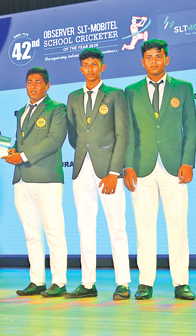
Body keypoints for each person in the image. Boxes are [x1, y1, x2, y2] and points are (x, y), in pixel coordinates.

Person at [124, 39, 196, 300]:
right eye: (149, 57)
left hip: (174, 166)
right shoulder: (130, 91)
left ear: (166, 59)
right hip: (141, 166)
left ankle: (181, 282)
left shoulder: (184, 88)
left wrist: (187, 162)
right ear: (143, 61)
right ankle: (145, 282)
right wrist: (128, 166)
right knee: (144, 226)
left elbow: (191, 128)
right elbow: (127, 132)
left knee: (178, 225)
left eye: (159, 56)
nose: (154, 61)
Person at [64, 49, 132, 300]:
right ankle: (88, 283)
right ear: (81, 69)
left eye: (94, 64)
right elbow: (73, 135)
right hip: (82, 166)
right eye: (85, 65)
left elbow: (122, 135)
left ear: (102, 67)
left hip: (109, 170)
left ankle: (123, 282)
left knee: (117, 225)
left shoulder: (115, 94)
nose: (90, 69)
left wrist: (115, 171)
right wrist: (86, 151)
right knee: (85, 226)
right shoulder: (72, 97)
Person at [6, 67, 68, 298]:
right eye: (29, 82)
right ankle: (37, 280)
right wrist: (12, 150)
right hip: (22, 178)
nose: (33, 86)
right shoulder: (23, 110)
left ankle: (59, 282)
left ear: (47, 85)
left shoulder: (57, 109)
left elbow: (54, 141)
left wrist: (22, 155)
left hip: (46, 178)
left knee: (53, 231)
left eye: (38, 82)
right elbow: (20, 142)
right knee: (31, 233)